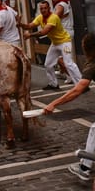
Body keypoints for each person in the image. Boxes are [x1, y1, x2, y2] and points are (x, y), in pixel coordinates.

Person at [43, 33, 94, 180]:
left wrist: (53, 104)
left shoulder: (91, 66)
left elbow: (78, 90)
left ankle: (84, 168)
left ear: (86, 50)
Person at [18, 1, 82, 90]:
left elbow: (44, 32)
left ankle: (81, 84)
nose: (43, 10)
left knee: (68, 63)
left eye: (45, 8)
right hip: (55, 43)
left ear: (49, 9)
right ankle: (53, 84)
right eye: (41, 8)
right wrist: (21, 24)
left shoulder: (53, 17)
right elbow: (29, 26)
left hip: (64, 42)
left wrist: (30, 35)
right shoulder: (40, 17)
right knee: (48, 64)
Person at [51, 0, 75, 84]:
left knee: (61, 59)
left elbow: (54, 19)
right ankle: (68, 75)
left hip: (64, 34)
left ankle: (74, 77)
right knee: (62, 58)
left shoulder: (61, 5)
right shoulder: (64, 2)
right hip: (64, 33)